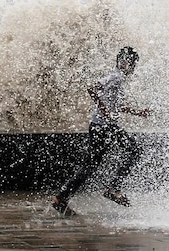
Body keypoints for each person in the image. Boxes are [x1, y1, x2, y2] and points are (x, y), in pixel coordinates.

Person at [52, 46, 150, 216]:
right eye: (131, 63)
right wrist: (104, 111)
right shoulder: (116, 77)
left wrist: (138, 112)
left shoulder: (117, 78)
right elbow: (91, 88)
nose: (132, 67)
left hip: (100, 127)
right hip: (104, 127)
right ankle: (112, 189)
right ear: (126, 63)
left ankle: (61, 198)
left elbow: (116, 104)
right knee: (134, 150)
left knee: (90, 166)